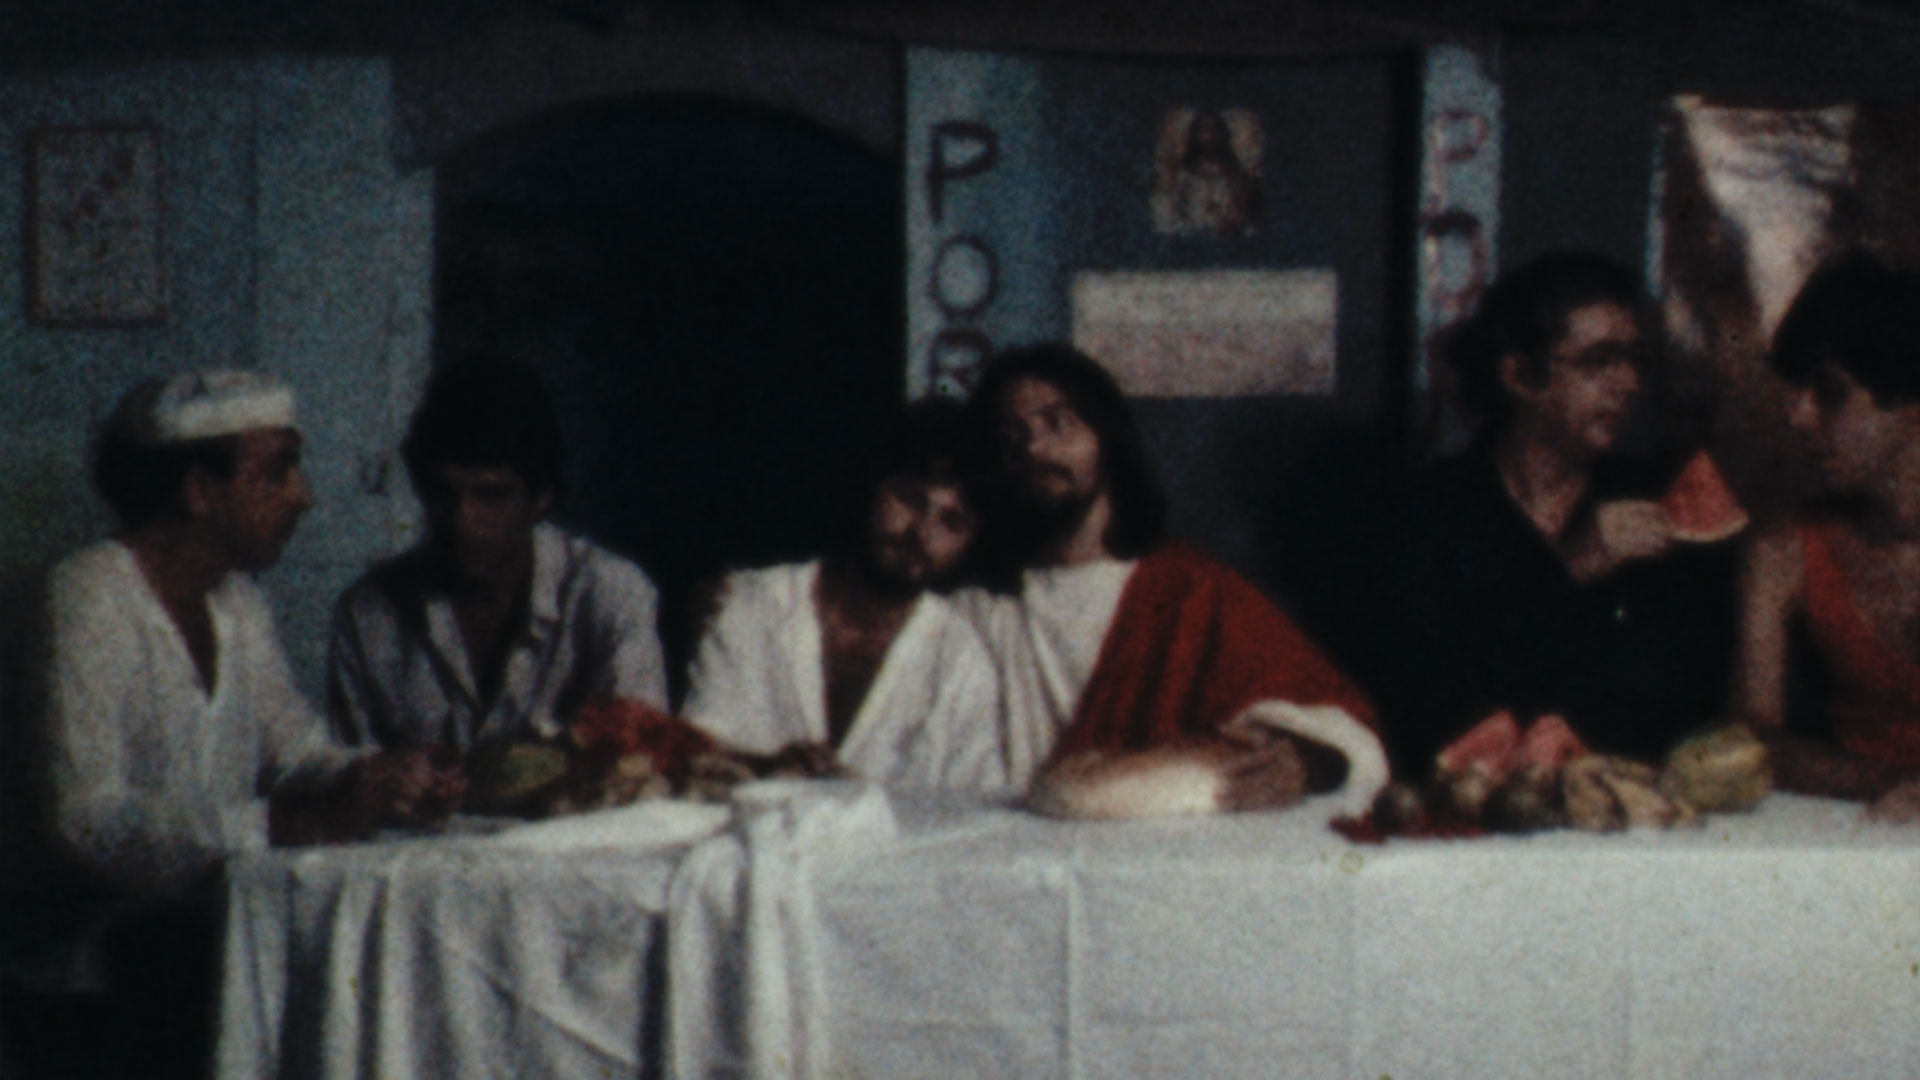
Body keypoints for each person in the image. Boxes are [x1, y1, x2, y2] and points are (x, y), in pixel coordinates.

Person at [6, 370, 439, 1080]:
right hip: (92, 974)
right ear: (200, 490)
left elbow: (297, 750)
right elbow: (83, 822)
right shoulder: (87, 597)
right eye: (278, 472)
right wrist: (278, 824)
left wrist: (383, 778)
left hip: (203, 951)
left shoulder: (236, 604)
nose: (304, 495)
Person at [958, 344, 1386, 819]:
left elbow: (1350, 739)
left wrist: (1308, 763)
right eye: (1010, 437)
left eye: (1058, 423)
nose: (1034, 449)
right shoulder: (977, 606)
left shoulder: (1192, 591)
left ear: (1106, 437)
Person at [1387, 252, 1738, 778]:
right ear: (1519, 375)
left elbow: (1682, 703)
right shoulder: (1430, 510)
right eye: (1600, 361)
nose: (1629, 383)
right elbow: (1430, 703)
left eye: (1632, 360)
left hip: (1621, 804)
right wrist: (1573, 568)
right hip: (1472, 802)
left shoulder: (1653, 500)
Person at [327, 356, 670, 757]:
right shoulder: (369, 615)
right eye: (443, 493)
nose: (463, 521)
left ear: (540, 500)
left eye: (491, 496)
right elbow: (352, 779)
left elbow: (638, 761)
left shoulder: (611, 593)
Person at [682, 400, 1004, 790]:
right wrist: (763, 768)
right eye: (908, 498)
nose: (921, 532)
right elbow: (694, 758)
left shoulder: (959, 659)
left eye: (952, 522)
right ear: (871, 486)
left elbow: (972, 808)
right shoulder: (755, 605)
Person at [1730, 254, 1920, 819]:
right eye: (1798, 392)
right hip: (1862, 832)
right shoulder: (1785, 549)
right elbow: (1753, 740)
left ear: (1910, 404)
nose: (1799, 417)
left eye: (1830, 394)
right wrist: (1894, 784)